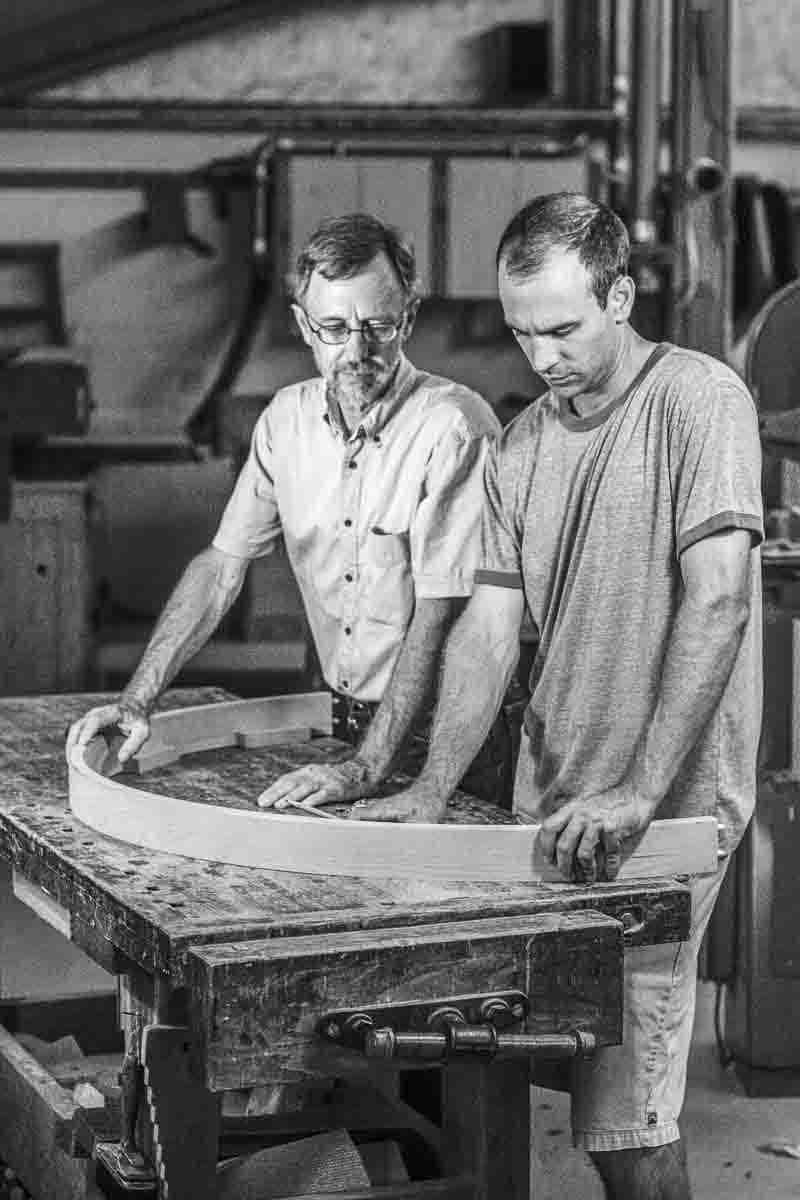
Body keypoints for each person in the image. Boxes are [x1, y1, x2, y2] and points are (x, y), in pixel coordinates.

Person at [344, 193, 763, 1200]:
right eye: (523, 333)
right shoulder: (521, 445)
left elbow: (718, 602)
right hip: (551, 803)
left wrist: (639, 793)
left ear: (619, 296)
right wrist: (433, 790)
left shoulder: (697, 401)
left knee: (625, 1118)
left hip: (662, 813)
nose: (542, 356)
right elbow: (489, 634)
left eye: (564, 329)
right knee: (496, 1068)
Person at [67, 212, 502, 796]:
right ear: (303, 325)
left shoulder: (454, 428)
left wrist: (364, 770)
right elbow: (222, 568)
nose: (357, 349)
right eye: (334, 327)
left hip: (445, 732)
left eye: (378, 326)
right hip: (338, 713)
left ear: (408, 318)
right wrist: (137, 699)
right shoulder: (284, 421)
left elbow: (439, 613)